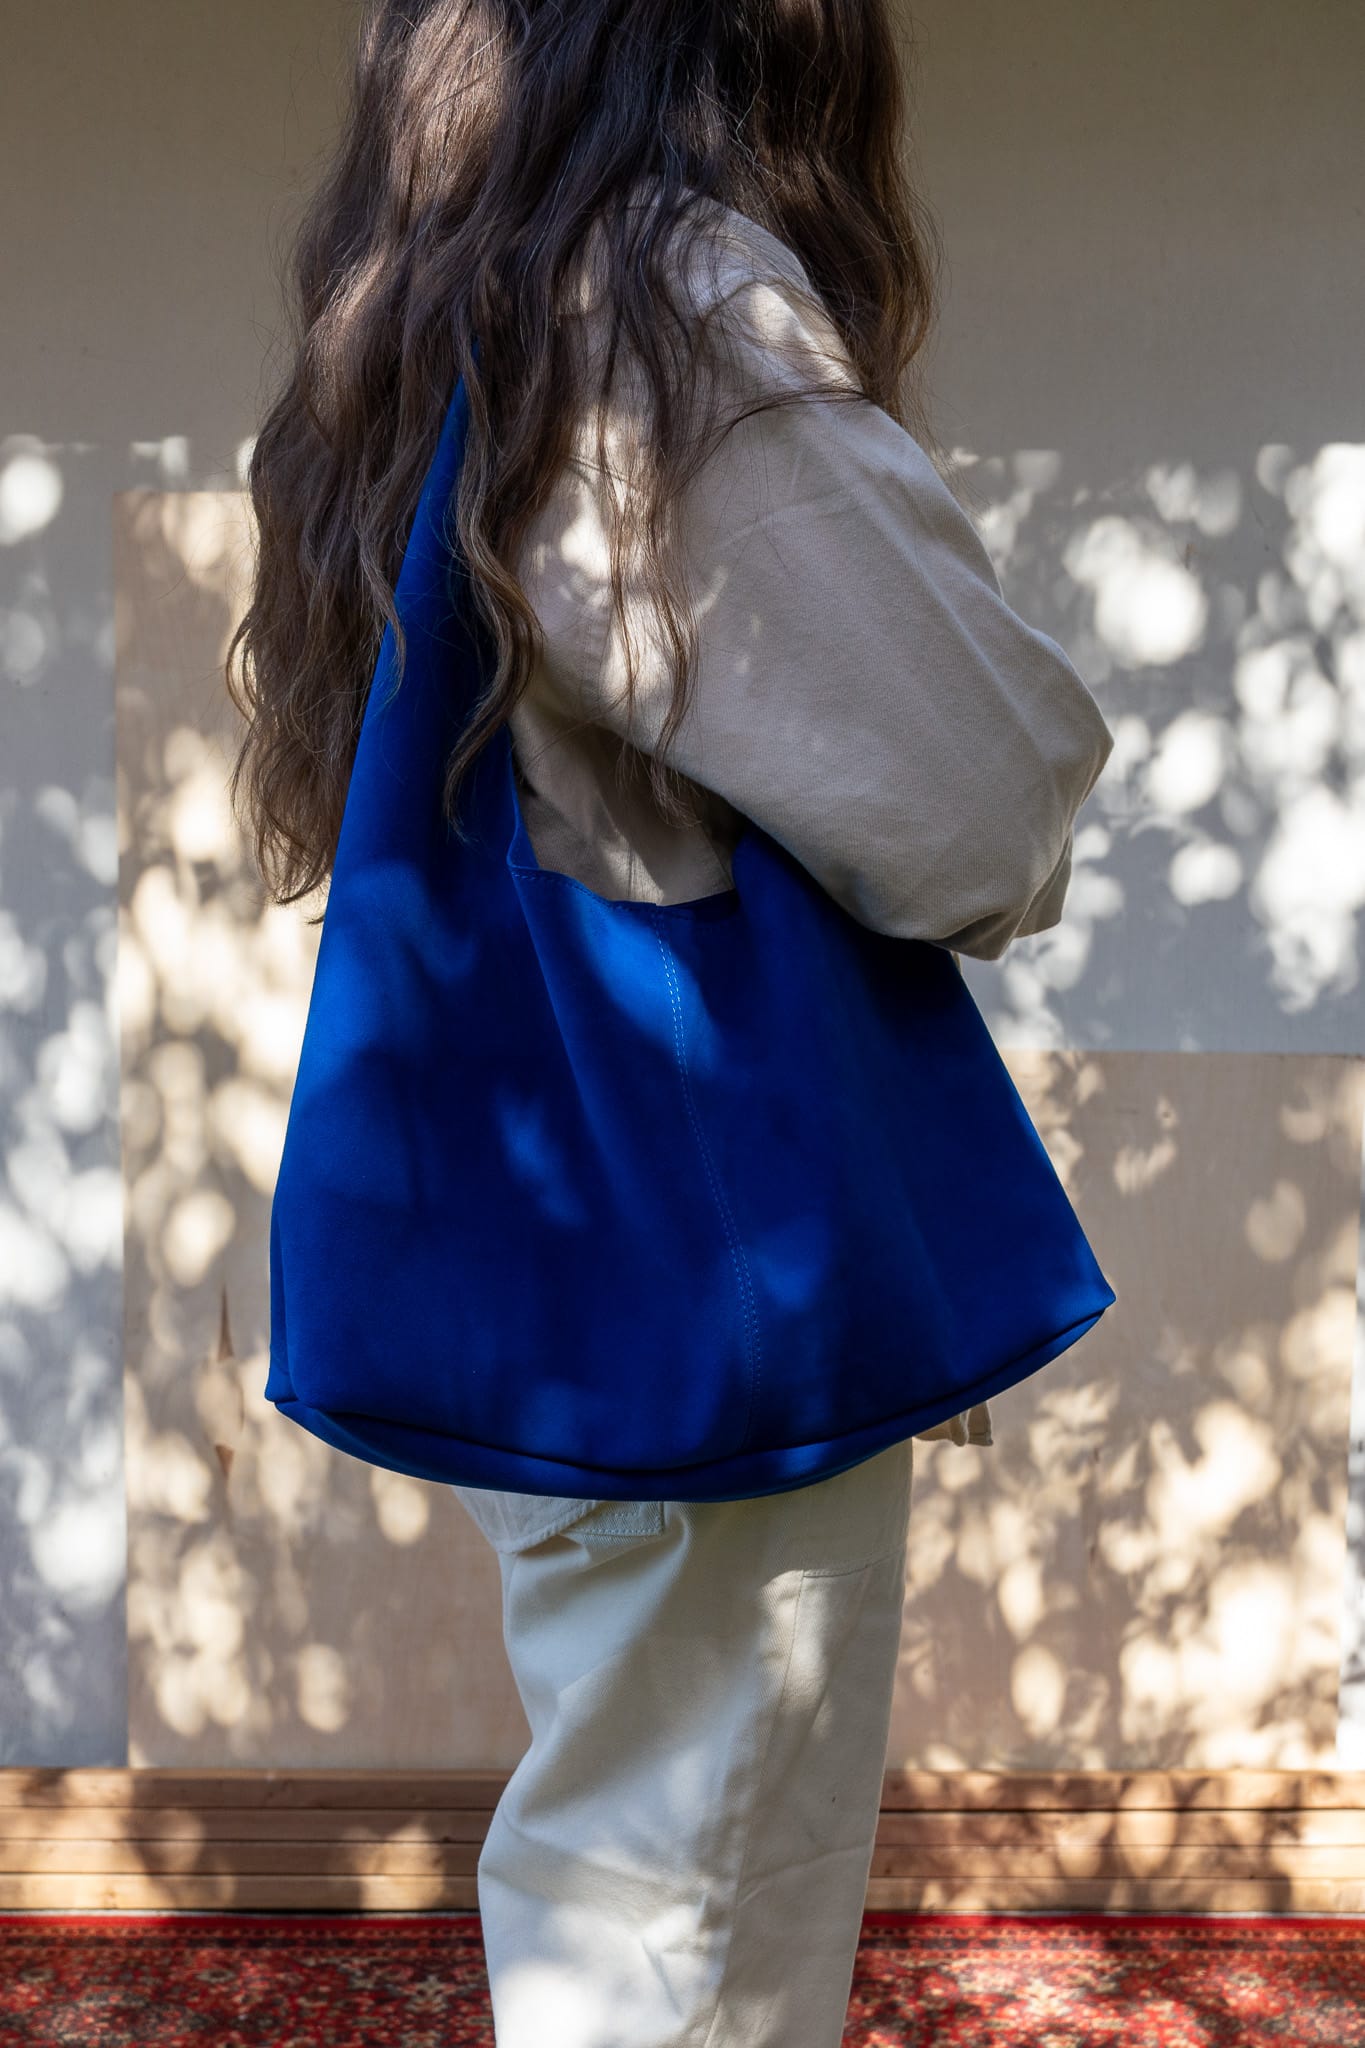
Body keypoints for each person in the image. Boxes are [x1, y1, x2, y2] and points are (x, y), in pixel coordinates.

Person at [228, 4, 1115, 2042]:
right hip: (701, 1256)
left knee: (627, 1872)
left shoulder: (426, 313)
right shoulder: (654, 309)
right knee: (693, 1921)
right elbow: (974, 797)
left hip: (564, 1249)